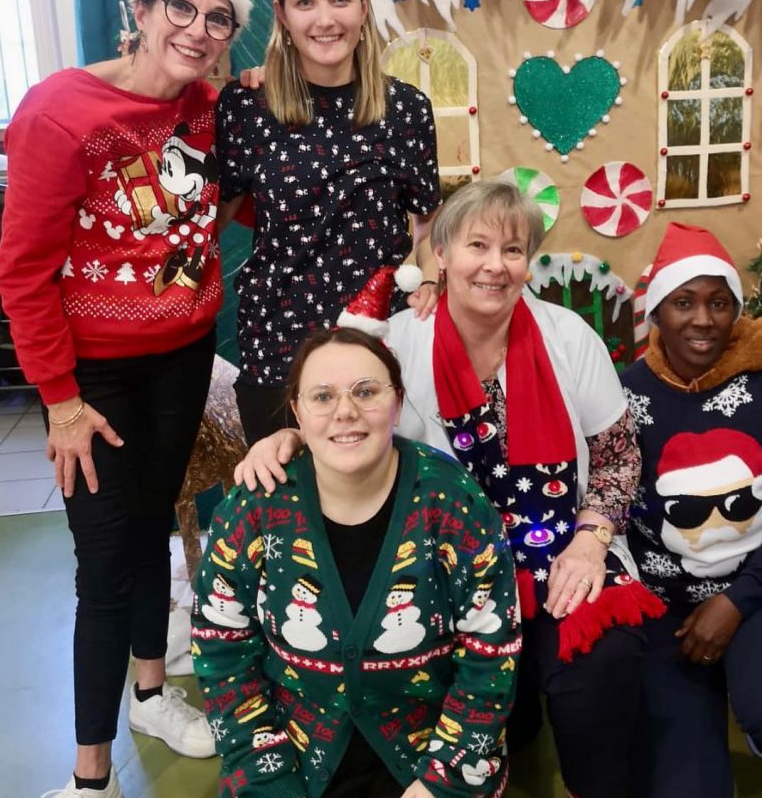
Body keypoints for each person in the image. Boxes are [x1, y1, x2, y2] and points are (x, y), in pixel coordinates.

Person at [235, 179, 665, 798]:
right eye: (477, 245)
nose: (495, 265)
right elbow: (347, 416)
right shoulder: (396, 342)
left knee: (599, 669)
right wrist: (287, 441)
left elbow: (619, 458)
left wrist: (592, 540)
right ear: (440, 253)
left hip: (560, 553)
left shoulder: (570, 337)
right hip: (440, 567)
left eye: (513, 250)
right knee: (496, 717)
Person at [0, 0, 253, 798]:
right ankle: (89, 775)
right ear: (139, 7)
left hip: (183, 355)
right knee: (103, 563)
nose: (196, 29)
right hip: (92, 376)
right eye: (179, 6)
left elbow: (259, 201)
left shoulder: (217, 113)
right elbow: (22, 272)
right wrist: (61, 400)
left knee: (155, 523)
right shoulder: (61, 111)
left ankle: (153, 688)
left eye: (217, 16)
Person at [192, 327, 518, 798]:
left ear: (398, 403)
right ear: (297, 412)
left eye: (366, 392)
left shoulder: (452, 500)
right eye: (322, 396)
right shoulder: (255, 507)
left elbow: (492, 656)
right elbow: (221, 649)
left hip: (432, 761)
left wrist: (442, 780)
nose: (345, 411)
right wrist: (267, 776)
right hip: (292, 761)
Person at [619, 221, 762, 798]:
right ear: (656, 312)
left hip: (760, 586)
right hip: (661, 603)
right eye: (683, 302)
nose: (702, 319)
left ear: (736, 310)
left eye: (719, 303)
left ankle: (761, 693)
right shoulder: (622, 396)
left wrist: (738, 603)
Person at [216, 0, 441, 445]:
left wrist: (430, 278)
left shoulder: (405, 109)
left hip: (377, 341)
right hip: (278, 344)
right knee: (288, 507)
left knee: (381, 502)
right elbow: (213, 218)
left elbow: (428, 224)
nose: (324, 19)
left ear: (363, 8)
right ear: (282, 15)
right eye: (305, 2)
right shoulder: (247, 107)